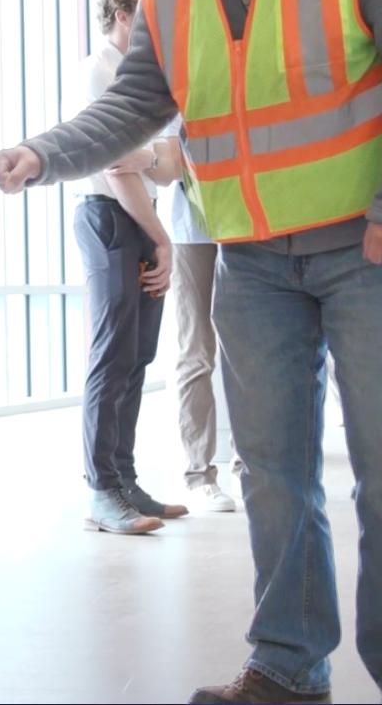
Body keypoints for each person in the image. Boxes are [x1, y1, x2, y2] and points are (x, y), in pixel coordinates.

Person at [0, 0, 382, 705]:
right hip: (249, 257)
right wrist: (46, 152)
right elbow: (137, 103)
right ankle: (288, 663)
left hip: (371, 248)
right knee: (273, 474)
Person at [71, 0, 187, 535]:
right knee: (113, 353)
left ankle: (125, 481)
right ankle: (101, 491)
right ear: (122, 12)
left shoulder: (139, 78)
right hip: (111, 217)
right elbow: (122, 167)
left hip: (137, 218)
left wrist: (150, 162)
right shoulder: (100, 71)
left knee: (137, 356)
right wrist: (161, 237)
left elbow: (169, 163)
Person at [109, 120, 236, 513]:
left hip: (248, 226)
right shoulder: (180, 82)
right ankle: (199, 474)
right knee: (196, 352)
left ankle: (254, 467)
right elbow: (165, 165)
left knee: (249, 354)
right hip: (190, 232)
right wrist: (153, 158)